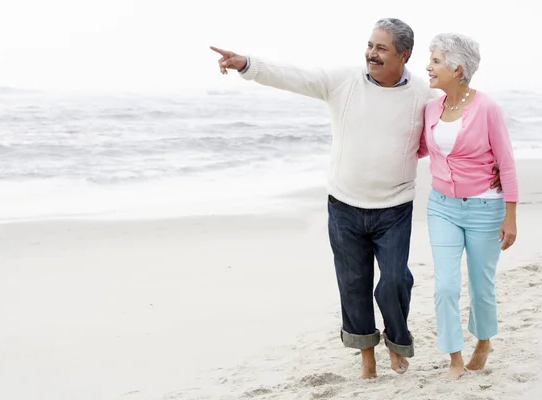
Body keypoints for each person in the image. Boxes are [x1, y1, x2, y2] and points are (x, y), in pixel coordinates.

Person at [210, 19, 501, 379]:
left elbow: (460, 121)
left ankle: (397, 342)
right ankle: (367, 358)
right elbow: (295, 76)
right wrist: (247, 64)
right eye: (370, 45)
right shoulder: (343, 81)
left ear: (404, 55)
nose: (371, 54)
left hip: (394, 207)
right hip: (345, 204)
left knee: (394, 281)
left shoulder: (423, 96)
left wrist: (494, 166)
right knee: (353, 282)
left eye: (381, 48)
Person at [423, 32, 518, 380]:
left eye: (434, 61)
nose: (428, 67)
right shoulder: (432, 108)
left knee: (481, 283)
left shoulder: (487, 107)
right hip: (442, 207)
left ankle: (483, 342)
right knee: (445, 285)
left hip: (485, 209)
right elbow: (420, 148)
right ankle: (454, 359)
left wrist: (510, 215)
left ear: (456, 67)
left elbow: (506, 163)